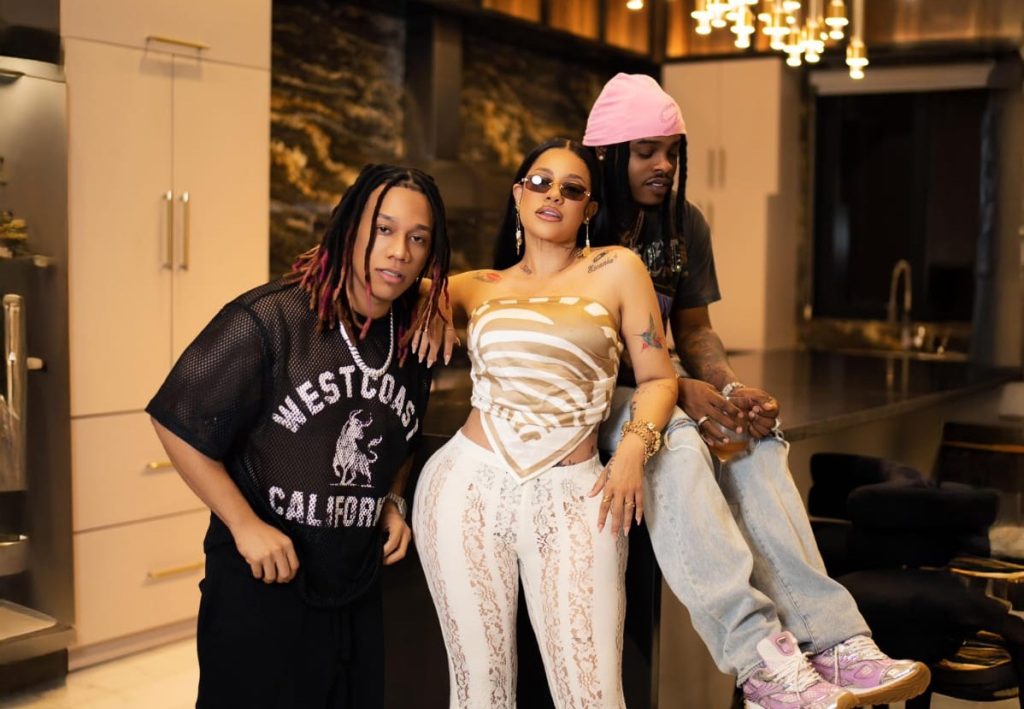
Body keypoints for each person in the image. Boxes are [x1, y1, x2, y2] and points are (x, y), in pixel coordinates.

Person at [582, 73, 931, 709]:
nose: (664, 166)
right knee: (676, 440)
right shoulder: (578, 214)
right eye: (646, 152)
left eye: (673, 152)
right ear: (607, 155)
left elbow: (695, 330)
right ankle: (760, 659)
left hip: (661, 384)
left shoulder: (683, 224)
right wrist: (675, 391)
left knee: (753, 439)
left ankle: (832, 642)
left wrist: (730, 386)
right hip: (593, 394)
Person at [145, 164, 451, 709]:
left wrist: (392, 500)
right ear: (349, 227)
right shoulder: (270, 319)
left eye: (417, 238)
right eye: (383, 229)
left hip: (355, 582)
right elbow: (175, 420)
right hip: (262, 584)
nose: (399, 251)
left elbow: (398, 433)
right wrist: (245, 526)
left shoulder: (412, 338)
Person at [412, 137, 678, 708]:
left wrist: (633, 452)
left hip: (578, 493)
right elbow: (377, 282)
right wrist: (420, 296)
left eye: (571, 188)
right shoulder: (478, 285)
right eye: (540, 181)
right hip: (466, 488)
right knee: (480, 692)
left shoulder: (618, 268)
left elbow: (659, 378)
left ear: (589, 209)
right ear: (518, 195)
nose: (553, 194)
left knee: (594, 693)